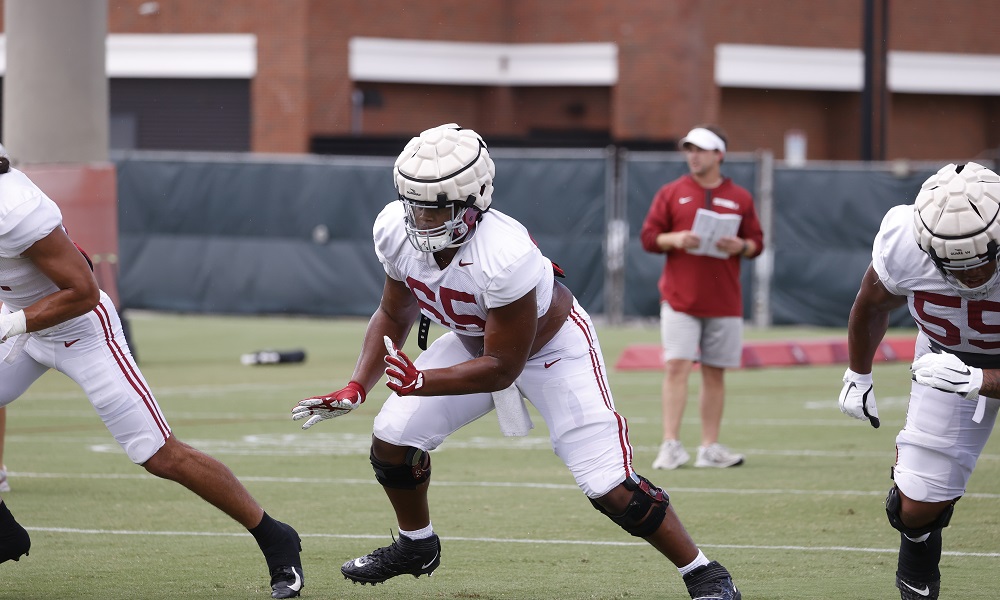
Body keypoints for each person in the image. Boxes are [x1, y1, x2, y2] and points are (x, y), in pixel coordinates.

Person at [291, 123, 741, 599]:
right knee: (392, 439)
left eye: (436, 208)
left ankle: (704, 573)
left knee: (609, 485)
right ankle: (416, 544)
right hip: (472, 344)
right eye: (414, 206)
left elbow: (502, 367)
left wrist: (422, 378)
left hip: (550, 351)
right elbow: (393, 310)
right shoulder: (393, 230)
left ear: (474, 200)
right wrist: (357, 385)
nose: (421, 221)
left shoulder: (505, 254)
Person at [0, 147, 304, 599]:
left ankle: (275, 536)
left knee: (158, 453)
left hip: (80, 330)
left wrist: (13, 323)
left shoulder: (16, 210)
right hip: (22, 320)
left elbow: (83, 290)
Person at [839, 161, 1000, 600]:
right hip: (946, 363)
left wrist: (979, 379)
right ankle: (918, 576)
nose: (970, 277)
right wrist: (859, 371)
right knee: (915, 506)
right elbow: (871, 304)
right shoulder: (902, 241)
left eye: (980, 264)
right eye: (954, 266)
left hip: (969, 372)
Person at [640, 125, 764, 470]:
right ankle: (671, 445)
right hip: (680, 299)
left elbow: (757, 243)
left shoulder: (741, 197)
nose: (693, 155)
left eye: (701, 149)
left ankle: (709, 448)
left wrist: (742, 246)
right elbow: (649, 237)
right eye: (689, 149)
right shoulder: (671, 192)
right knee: (676, 366)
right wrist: (675, 239)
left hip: (724, 300)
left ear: (718, 155)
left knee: (714, 373)